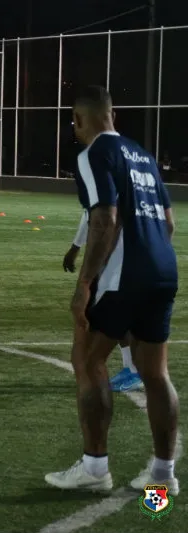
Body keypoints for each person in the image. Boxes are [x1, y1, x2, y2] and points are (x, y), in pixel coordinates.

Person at [45, 86, 179, 494]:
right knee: (156, 373)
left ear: (80, 120)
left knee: (87, 360)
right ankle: (163, 474)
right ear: (113, 114)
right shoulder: (142, 154)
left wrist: (84, 284)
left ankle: (95, 468)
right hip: (163, 270)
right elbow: (169, 223)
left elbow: (104, 219)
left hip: (125, 273)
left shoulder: (93, 154)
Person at [63, 210, 142, 393]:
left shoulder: (111, 186)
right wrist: (76, 246)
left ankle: (136, 371)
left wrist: (98, 261)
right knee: (116, 314)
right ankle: (130, 368)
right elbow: (89, 215)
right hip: (116, 260)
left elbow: (111, 220)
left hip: (120, 261)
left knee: (117, 314)